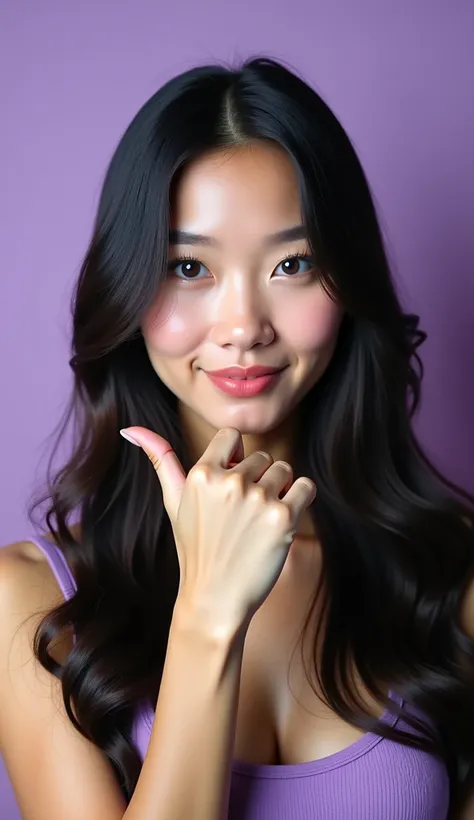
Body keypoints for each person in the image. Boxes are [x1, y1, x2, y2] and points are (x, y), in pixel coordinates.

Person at [0, 55, 473, 820]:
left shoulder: (454, 572)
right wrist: (208, 616)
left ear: (347, 282)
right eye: (189, 265)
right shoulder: (35, 605)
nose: (245, 327)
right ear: (127, 287)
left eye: (293, 263)